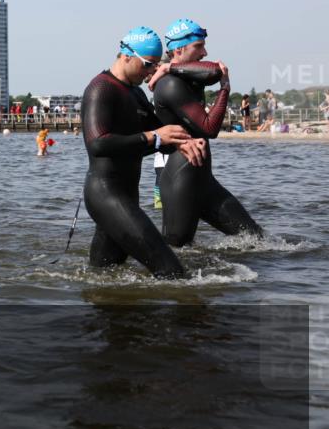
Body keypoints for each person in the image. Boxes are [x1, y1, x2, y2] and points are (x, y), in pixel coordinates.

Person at [80, 27, 206, 279]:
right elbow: (98, 144)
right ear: (126, 55)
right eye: (148, 64)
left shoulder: (135, 93)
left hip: (126, 195)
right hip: (105, 194)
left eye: (156, 65)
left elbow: (159, 134)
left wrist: (182, 142)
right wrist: (155, 137)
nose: (151, 72)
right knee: (173, 272)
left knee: (104, 276)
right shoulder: (100, 89)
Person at [149, 19, 262, 247]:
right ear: (179, 49)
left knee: (256, 240)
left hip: (203, 180)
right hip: (180, 178)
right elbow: (209, 128)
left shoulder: (185, 75)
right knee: (177, 251)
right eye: (198, 46)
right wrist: (225, 88)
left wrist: (169, 65)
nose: (205, 52)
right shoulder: (169, 84)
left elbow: (213, 71)